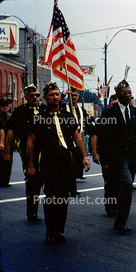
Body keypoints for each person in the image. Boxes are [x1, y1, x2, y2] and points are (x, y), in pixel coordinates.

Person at [27, 81, 90, 245]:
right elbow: (31, 142)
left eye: (57, 94)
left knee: (63, 198)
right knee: (51, 197)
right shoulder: (39, 118)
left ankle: (60, 229)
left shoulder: (67, 116)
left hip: (66, 163)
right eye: (51, 95)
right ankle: (51, 230)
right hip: (48, 163)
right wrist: (31, 165)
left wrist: (84, 156)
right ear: (45, 98)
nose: (55, 97)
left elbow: (77, 137)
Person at [96, 80, 136, 234]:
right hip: (117, 158)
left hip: (133, 156)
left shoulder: (135, 113)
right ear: (118, 95)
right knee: (126, 184)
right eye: (124, 93)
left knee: (126, 187)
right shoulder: (109, 113)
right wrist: (104, 161)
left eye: (129, 92)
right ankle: (120, 221)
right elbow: (103, 139)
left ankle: (120, 215)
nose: (128, 95)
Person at [4, 84, 44, 221]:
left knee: (44, 179)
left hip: (43, 147)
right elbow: (10, 133)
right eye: (32, 96)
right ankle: (31, 211)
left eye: (37, 95)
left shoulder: (44, 110)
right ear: (26, 97)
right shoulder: (20, 111)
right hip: (27, 147)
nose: (35, 98)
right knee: (32, 178)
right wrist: (8, 151)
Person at [0, 97, 13, 187]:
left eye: (7, 106)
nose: (5, 107)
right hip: (1, 140)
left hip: (9, 141)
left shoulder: (11, 117)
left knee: (8, 161)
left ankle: (6, 181)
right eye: (3, 106)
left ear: (9, 107)